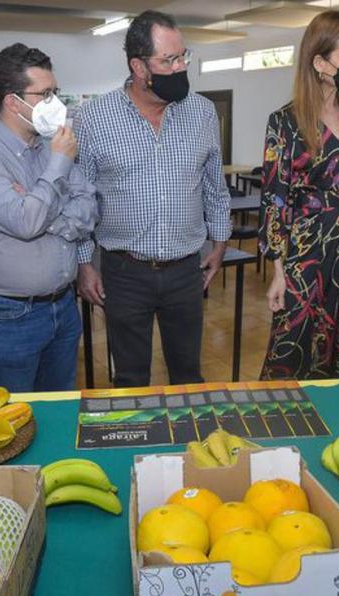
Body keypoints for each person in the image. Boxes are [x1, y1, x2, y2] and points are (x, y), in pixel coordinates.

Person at [75, 10, 231, 387]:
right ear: (138, 66)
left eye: (183, 57)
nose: (180, 68)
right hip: (124, 272)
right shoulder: (95, 118)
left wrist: (220, 243)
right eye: (168, 60)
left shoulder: (202, 112)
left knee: (188, 374)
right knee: (129, 379)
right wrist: (84, 263)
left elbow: (214, 185)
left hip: (185, 272)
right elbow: (78, 199)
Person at [0, 44, 96, 393]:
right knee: (12, 421)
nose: (56, 104)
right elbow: (26, 222)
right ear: (12, 101)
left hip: (63, 307)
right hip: (10, 315)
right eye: (45, 94)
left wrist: (44, 211)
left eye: (56, 92)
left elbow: (88, 207)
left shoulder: (48, 146)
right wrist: (58, 167)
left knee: (59, 408)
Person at [259, 10, 339, 381]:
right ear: (319, 62)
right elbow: (274, 200)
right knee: (294, 348)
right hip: (306, 256)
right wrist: (278, 271)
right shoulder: (284, 122)